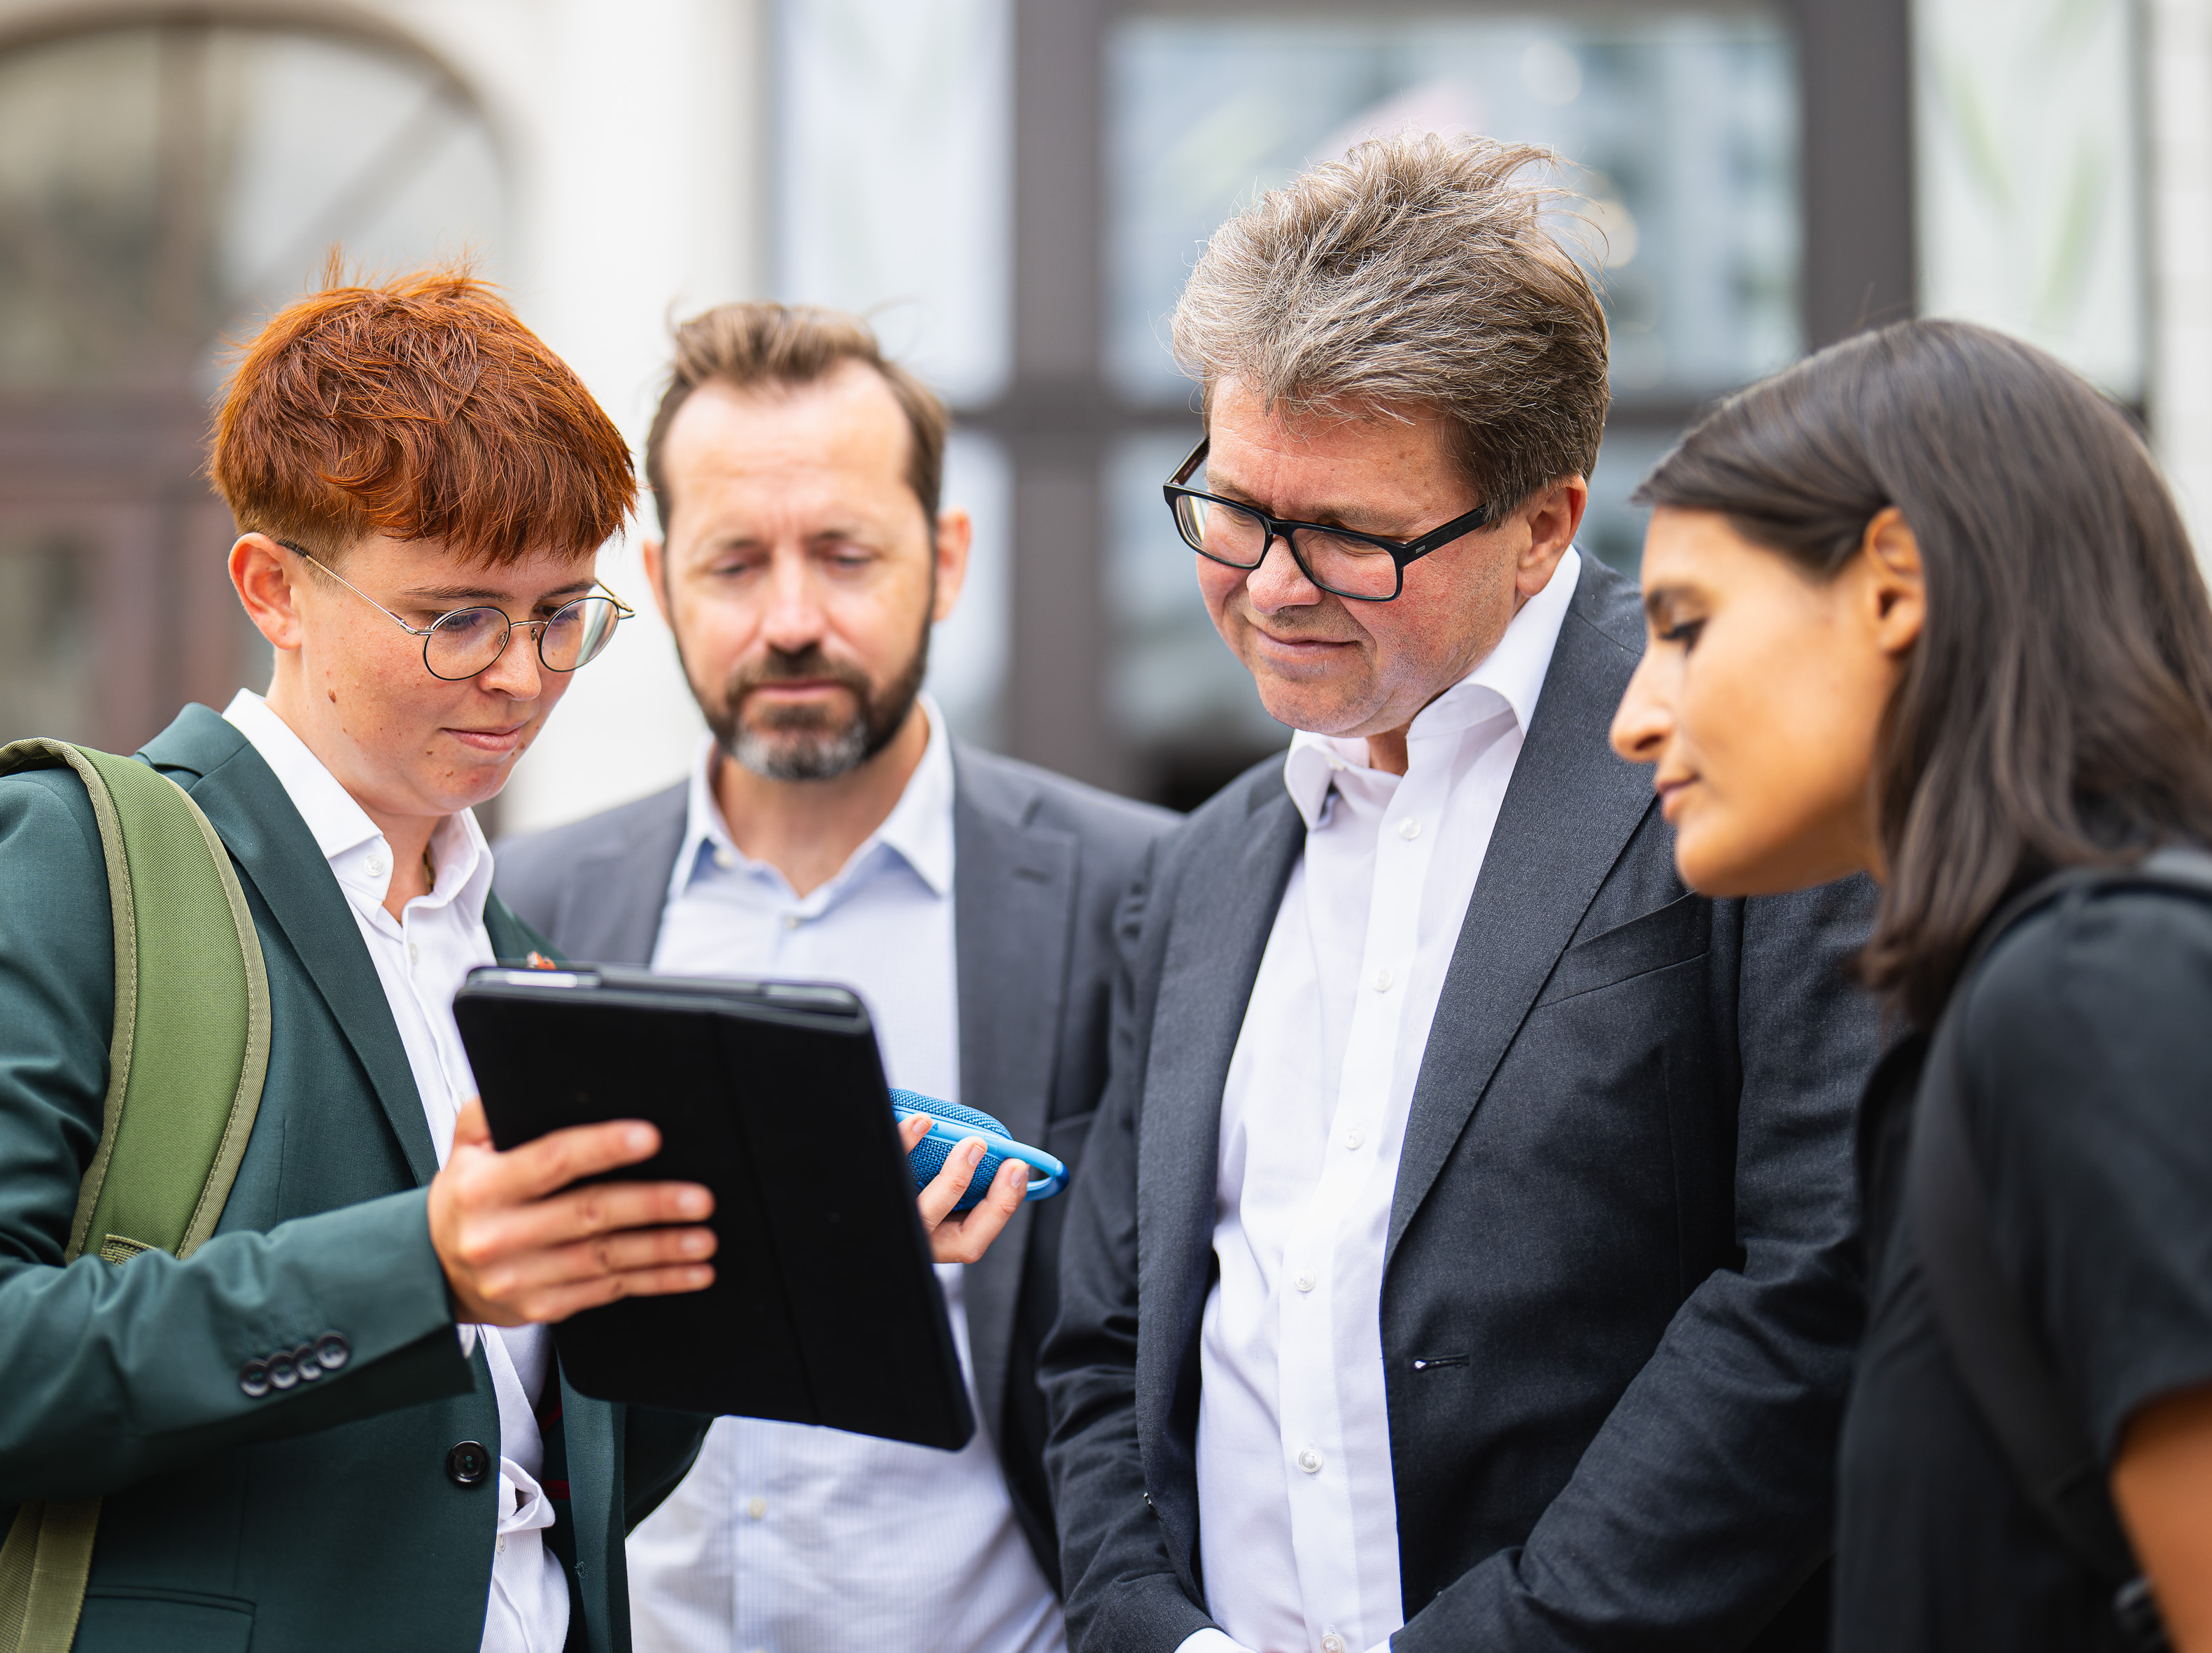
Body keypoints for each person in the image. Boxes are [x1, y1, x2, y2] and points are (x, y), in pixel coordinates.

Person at [0, 266, 1017, 1653]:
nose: (518, 673)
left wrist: (798, 1238)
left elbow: (551, 1474)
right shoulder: (66, 857)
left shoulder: (522, 958)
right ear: (274, 588)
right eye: (455, 617)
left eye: (564, 613)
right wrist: (418, 1268)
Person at [1041, 134, 1885, 1653]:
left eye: (1352, 538)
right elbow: (1106, 1343)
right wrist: (1150, 1630)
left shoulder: (1740, 766)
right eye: (1232, 510)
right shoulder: (1199, 869)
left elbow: (1811, 1286)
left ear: (1546, 521)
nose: (1271, 583)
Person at [495, 302, 1173, 1653]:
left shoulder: (1137, 892)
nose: (792, 619)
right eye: (737, 562)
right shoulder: (530, 902)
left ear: (949, 557)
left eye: (846, 554)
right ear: (662, 570)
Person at [1610, 317, 2212, 1653]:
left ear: (1894, 581)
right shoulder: (2019, 1005)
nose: (1636, 714)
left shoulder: (2095, 991)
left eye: (1686, 626)